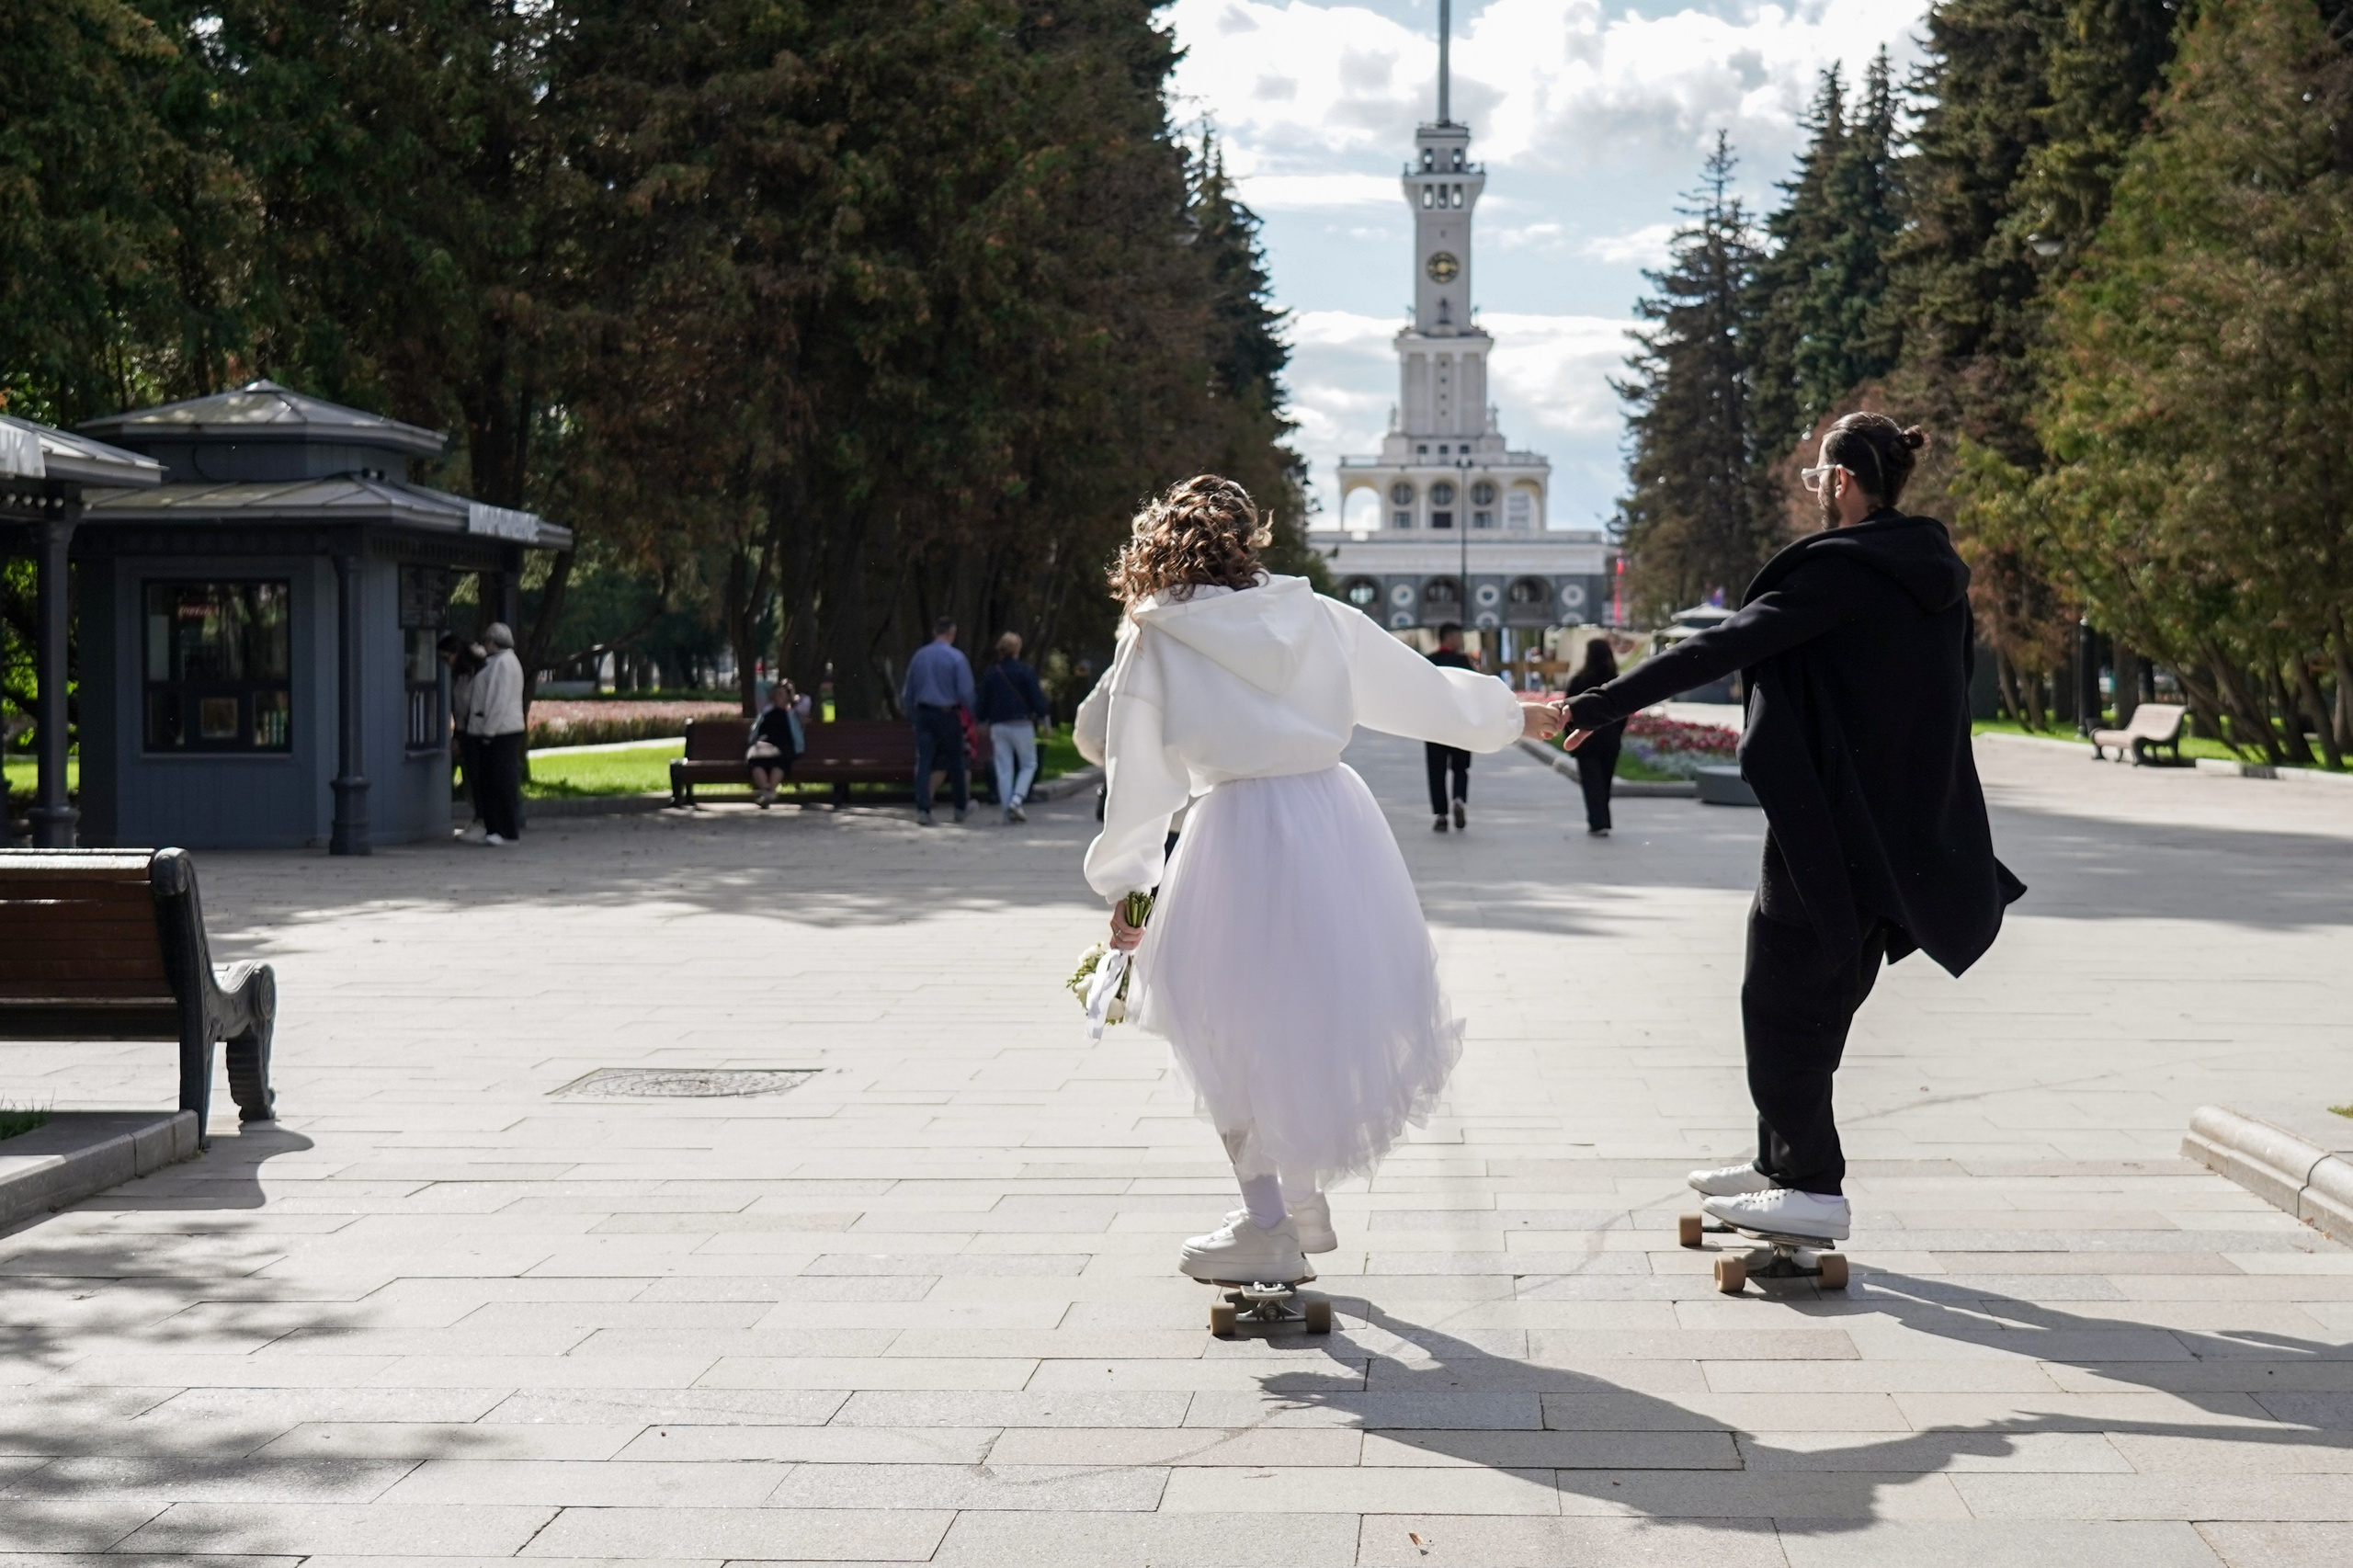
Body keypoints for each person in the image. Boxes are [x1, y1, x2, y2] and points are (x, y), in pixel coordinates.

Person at [1562, 413, 2025, 1244]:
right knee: (1820, 997)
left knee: (1779, 998)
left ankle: (1810, 1183)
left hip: (1830, 827)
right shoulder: (1931, 572)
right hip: (1897, 830)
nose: (1816, 490)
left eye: (1819, 477)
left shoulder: (1844, 570)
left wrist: (1598, 704)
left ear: (1843, 481)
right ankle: (1784, 1160)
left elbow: (1728, 645)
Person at [1088, 475, 1564, 1286]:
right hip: (1331, 821)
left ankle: (1269, 1220)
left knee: (1223, 1031)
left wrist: (1131, 891)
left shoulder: (1157, 635)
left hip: (1233, 830)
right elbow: (1422, 689)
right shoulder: (1312, 614)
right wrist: (1514, 714)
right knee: (1301, 1017)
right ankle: (1299, 1204)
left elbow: (1134, 776)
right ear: (1250, 541)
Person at [901, 615, 975, 825]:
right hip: (947, 713)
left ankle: (923, 809)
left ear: (934, 633)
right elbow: (966, 692)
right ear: (952, 634)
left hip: (924, 714)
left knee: (924, 761)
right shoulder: (957, 658)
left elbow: (908, 692)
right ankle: (960, 807)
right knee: (956, 761)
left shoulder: (919, 657)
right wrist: (975, 717)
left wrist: (912, 714)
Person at [978, 632, 1051, 824]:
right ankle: (1017, 800)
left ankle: (1006, 809)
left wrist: (981, 721)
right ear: (1017, 649)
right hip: (1021, 724)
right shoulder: (1025, 671)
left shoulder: (992, 672)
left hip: (998, 725)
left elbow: (982, 702)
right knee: (1029, 764)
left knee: (1004, 768)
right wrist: (1044, 720)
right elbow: (1036, 699)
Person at [467, 621, 528, 847]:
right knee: (498, 781)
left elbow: (498, 700)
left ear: (493, 642)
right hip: (505, 729)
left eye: (487, 640)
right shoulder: (505, 661)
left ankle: (503, 829)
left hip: (500, 731)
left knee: (498, 781)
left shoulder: (502, 664)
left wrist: (488, 732)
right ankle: (500, 828)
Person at [1563, 639, 1626, 835]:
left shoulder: (1578, 681)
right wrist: (1616, 732)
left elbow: (1568, 711)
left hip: (1585, 740)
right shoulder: (1615, 681)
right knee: (1605, 781)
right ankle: (1601, 819)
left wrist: (1570, 736)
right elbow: (1624, 712)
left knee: (1592, 782)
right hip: (1609, 739)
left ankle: (1598, 821)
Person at [1424, 623, 1476, 833]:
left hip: (1435, 724)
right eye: (1459, 636)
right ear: (1450, 637)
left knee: (1436, 770)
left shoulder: (1429, 662)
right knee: (1460, 767)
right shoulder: (1463, 662)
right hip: (1461, 723)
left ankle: (1441, 815)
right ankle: (1459, 799)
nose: (1461, 641)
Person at [440, 634, 486, 842]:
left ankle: (483, 820)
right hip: (465, 731)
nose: (445, 664)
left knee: (477, 778)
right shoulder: (458, 677)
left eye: (447, 658)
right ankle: (479, 817)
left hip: (476, 732)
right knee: (471, 778)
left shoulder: (478, 674)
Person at [745, 678, 804, 808]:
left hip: (783, 745)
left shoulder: (792, 712)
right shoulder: (766, 709)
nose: (777, 697)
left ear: (788, 698)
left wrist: (790, 690)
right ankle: (768, 791)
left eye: (781, 695)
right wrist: (778, 685)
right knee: (755, 760)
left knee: (780, 761)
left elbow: (806, 701)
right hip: (764, 743)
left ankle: (767, 792)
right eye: (775, 694)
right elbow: (760, 685)